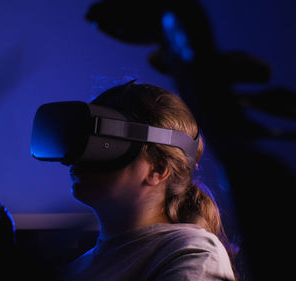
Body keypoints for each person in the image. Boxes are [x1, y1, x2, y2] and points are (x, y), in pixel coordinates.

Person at [59, 82, 237, 281]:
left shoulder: (192, 253)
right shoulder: (75, 268)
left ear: (158, 169)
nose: (81, 157)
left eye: (105, 145)